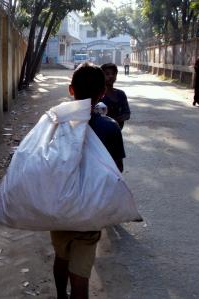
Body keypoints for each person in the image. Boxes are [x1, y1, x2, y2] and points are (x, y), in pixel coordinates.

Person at [51, 63, 126, 299]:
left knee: (61, 257)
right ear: (102, 93)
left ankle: (61, 295)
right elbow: (117, 171)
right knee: (81, 275)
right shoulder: (110, 128)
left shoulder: (56, 123)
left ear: (70, 90)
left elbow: (46, 164)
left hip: (61, 207)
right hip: (90, 211)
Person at [100, 63, 131, 129]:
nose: (111, 76)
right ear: (101, 76)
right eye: (107, 74)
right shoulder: (97, 94)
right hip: (100, 133)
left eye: (113, 74)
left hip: (117, 132)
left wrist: (116, 120)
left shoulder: (121, 94)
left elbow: (127, 114)